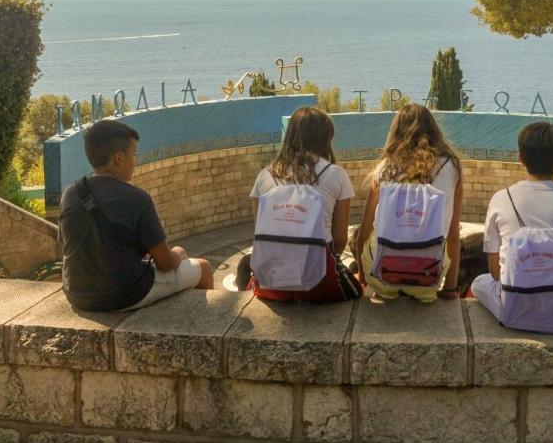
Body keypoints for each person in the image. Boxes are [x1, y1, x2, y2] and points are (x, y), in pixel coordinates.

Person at [57, 119, 214, 312]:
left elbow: (71, 244)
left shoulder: (70, 193)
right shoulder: (137, 198)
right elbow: (165, 263)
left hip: (76, 294)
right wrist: (179, 253)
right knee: (204, 268)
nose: (135, 161)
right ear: (119, 158)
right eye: (134, 154)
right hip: (124, 295)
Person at [472, 122, 553, 328]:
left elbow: (495, 272)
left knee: (479, 282)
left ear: (520, 158)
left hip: (513, 309)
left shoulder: (501, 198)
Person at [243, 106, 362, 302]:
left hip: (271, 281)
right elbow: (340, 241)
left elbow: (261, 232)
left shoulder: (265, 176)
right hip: (319, 280)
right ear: (326, 137)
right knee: (356, 291)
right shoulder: (335, 175)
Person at [354, 103, 464, 301]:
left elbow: (364, 232)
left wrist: (363, 277)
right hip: (429, 277)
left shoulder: (385, 168)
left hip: (383, 278)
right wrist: (450, 288)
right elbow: (453, 235)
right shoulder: (451, 167)